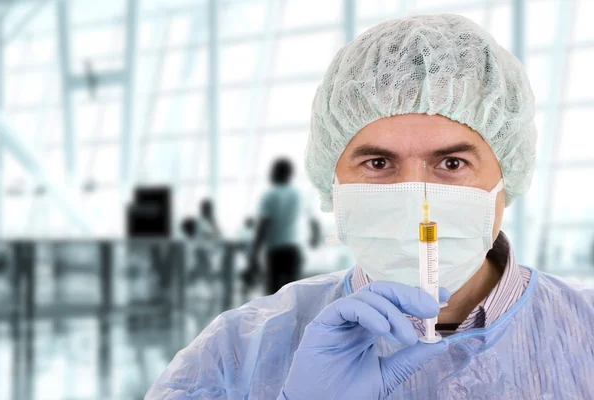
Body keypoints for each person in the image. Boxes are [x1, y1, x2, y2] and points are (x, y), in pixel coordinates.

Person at [145, 14, 594, 399]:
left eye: (452, 163)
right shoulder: (240, 348)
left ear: (506, 178)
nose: (418, 199)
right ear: (332, 180)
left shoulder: (586, 331)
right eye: (378, 162)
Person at [243, 158, 320, 295]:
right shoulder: (299, 195)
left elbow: (262, 227)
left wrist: (253, 254)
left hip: (275, 252)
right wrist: (314, 238)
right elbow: (314, 222)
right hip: (293, 250)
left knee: (273, 294)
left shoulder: (269, 196)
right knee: (292, 293)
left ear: (275, 173)